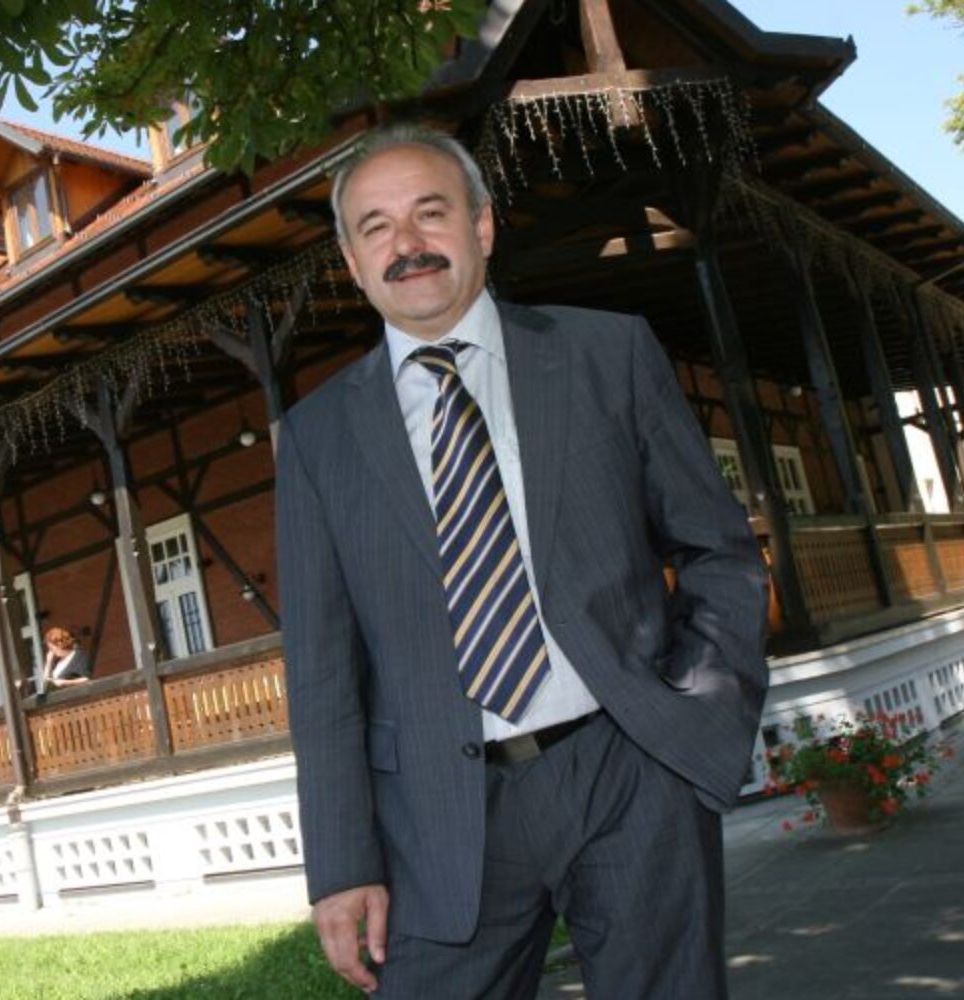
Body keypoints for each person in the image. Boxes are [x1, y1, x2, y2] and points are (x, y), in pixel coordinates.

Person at [274, 124, 770, 998]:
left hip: (628, 772)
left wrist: (695, 717)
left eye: (431, 213)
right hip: (436, 815)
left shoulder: (606, 355)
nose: (407, 243)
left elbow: (718, 550)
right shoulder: (316, 438)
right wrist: (342, 865)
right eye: (376, 227)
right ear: (351, 262)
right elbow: (321, 672)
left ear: (482, 226)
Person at [38, 626, 90, 693]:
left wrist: (65, 682)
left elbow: (86, 679)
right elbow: (45, 686)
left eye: (51, 648)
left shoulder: (78, 656)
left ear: (59, 644)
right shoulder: (57, 662)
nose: (51, 651)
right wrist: (48, 663)